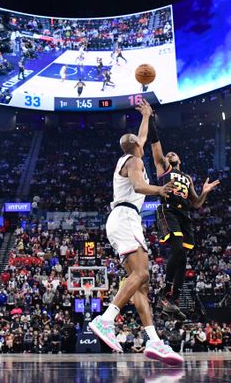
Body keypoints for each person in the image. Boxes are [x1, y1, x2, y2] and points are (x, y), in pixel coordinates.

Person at [88, 100, 183, 366]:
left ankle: (153, 341)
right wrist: (161, 190)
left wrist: (146, 116)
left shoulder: (131, 155)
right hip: (126, 217)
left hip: (123, 219)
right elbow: (141, 187)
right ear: (137, 148)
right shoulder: (134, 162)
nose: (141, 141)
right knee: (142, 273)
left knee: (140, 284)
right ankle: (106, 320)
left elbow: (141, 139)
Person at [147, 111, 219, 319]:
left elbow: (196, 203)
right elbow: (155, 144)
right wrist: (151, 120)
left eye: (172, 154)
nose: (169, 154)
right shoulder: (163, 168)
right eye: (168, 154)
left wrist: (204, 192)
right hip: (168, 211)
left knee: (183, 259)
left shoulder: (186, 177)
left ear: (180, 159)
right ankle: (164, 293)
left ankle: (173, 299)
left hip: (184, 215)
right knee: (177, 249)